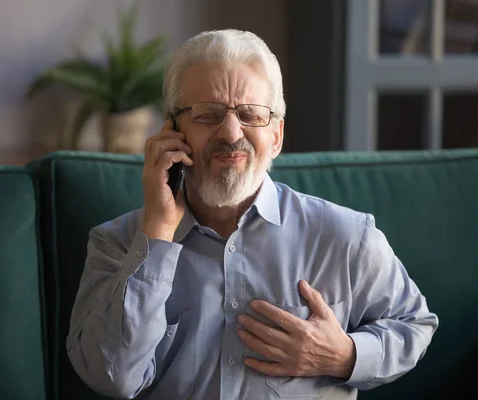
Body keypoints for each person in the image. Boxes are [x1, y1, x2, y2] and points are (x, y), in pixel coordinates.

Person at [66, 29, 439, 400]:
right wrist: (157, 233)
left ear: (276, 136)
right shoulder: (117, 244)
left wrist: (345, 356)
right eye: (208, 114)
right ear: (172, 132)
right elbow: (113, 378)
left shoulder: (347, 237)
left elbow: (414, 325)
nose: (230, 132)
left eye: (250, 114)